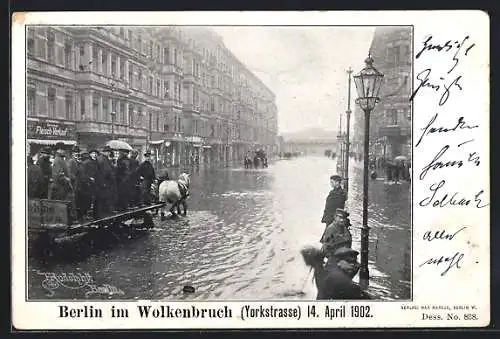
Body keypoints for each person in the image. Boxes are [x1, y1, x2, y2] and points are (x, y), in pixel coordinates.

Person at [75, 150, 98, 221]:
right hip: (84, 185)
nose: (94, 155)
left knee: (88, 200)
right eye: (93, 153)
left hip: (90, 184)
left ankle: (85, 215)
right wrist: (89, 179)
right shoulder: (85, 163)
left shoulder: (95, 163)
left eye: (95, 153)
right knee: (83, 200)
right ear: (89, 154)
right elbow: (82, 174)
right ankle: (82, 216)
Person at [96, 145, 116, 217]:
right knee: (103, 198)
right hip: (104, 182)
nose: (109, 153)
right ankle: (101, 213)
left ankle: (103, 212)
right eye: (108, 152)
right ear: (105, 152)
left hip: (104, 182)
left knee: (104, 197)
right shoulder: (102, 159)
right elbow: (104, 171)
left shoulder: (104, 159)